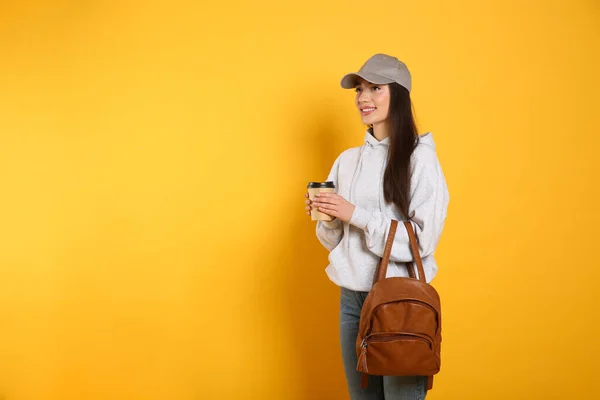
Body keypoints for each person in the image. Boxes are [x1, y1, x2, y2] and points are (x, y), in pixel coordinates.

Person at [304, 54, 450, 400]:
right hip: (352, 299)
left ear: (397, 95)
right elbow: (334, 241)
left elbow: (423, 240)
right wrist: (328, 217)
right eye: (359, 90)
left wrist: (355, 213)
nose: (362, 98)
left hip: (400, 299)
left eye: (375, 88)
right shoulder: (347, 160)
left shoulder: (419, 157)